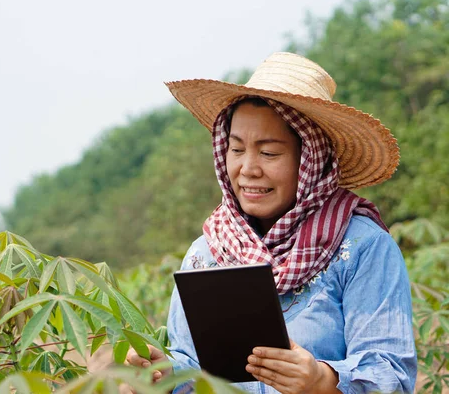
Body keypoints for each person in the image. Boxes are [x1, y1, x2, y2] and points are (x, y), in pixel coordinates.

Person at [124, 52, 417, 393]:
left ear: (311, 159)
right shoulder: (207, 254)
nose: (248, 168)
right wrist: (164, 374)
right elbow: (193, 368)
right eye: (236, 149)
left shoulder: (361, 247)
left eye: (269, 153)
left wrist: (321, 380)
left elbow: (391, 374)